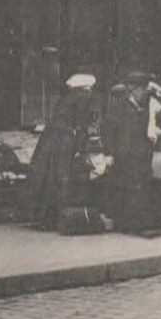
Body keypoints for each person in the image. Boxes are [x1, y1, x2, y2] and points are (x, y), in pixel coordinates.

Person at [24, 73, 98, 230]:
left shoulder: (66, 99)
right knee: (64, 178)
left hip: (51, 141)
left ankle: (44, 217)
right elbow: (82, 126)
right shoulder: (83, 99)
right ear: (85, 89)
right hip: (65, 143)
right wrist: (80, 149)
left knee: (48, 177)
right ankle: (61, 217)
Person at [101, 72, 161, 233]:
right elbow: (108, 131)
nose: (143, 92)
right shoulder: (118, 107)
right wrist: (108, 153)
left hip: (143, 153)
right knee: (127, 187)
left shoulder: (147, 106)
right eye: (141, 89)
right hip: (124, 154)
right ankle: (128, 223)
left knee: (142, 187)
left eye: (145, 89)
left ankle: (140, 223)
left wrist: (158, 91)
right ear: (132, 89)